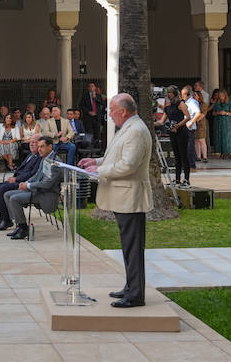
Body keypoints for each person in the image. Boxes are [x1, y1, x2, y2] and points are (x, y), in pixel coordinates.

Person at [96, 94, 155, 308]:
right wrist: (94, 162)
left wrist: (99, 171)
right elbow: (116, 156)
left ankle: (136, 294)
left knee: (133, 247)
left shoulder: (137, 130)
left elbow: (127, 165)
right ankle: (131, 287)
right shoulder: (129, 128)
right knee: (128, 246)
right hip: (123, 196)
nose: (109, 114)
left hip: (130, 197)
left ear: (123, 111)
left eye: (112, 110)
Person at [3, 136, 59, 241]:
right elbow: (37, 175)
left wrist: (29, 186)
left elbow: (47, 184)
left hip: (46, 195)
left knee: (14, 199)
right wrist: (26, 183)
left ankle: (23, 228)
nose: (39, 149)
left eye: (42, 146)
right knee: (7, 194)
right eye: (39, 147)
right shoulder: (45, 158)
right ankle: (19, 225)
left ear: (50, 147)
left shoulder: (54, 162)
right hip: (38, 190)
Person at [0, 143, 43, 232]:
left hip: (24, 182)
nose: (32, 144)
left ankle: (6, 220)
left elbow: (32, 174)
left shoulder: (39, 158)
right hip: (18, 179)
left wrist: (16, 179)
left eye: (35, 142)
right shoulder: (31, 155)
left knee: (3, 188)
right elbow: (21, 169)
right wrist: (14, 177)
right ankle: (1, 217)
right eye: (31, 142)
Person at [166, 85, 194, 187]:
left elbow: (188, 117)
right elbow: (162, 121)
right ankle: (177, 179)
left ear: (175, 94)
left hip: (182, 132)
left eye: (170, 93)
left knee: (183, 156)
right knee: (177, 157)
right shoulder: (169, 107)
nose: (168, 95)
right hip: (173, 133)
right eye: (168, 93)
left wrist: (178, 125)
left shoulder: (180, 103)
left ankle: (186, 179)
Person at [210, 89, 231, 159]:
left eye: (222, 96)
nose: (221, 97)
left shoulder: (229, 103)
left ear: (225, 96)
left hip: (226, 121)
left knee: (226, 136)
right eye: (219, 96)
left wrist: (226, 113)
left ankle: (227, 152)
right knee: (218, 136)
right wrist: (217, 113)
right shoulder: (216, 103)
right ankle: (219, 152)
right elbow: (213, 113)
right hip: (218, 121)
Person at [79, 82, 105, 148]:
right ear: (88, 88)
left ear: (95, 88)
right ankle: (88, 148)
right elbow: (81, 106)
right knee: (89, 133)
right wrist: (88, 112)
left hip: (96, 117)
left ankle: (96, 149)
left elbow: (102, 103)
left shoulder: (98, 95)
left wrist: (95, 98)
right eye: (90, 86)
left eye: (92, 86)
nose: (91, 88)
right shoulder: (85, 96)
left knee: (97, 133)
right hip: (88, 118)